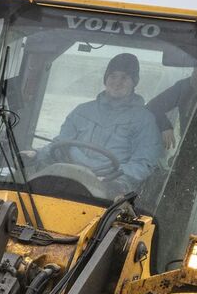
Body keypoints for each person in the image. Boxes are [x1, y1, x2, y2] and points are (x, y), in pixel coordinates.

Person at [42, 52, 163, 192]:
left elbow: (144, 163)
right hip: (69, 176)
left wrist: (116, 181)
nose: (117, 82)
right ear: (105, 79)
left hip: (110, 186)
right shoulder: (82, 110)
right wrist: (37, 154)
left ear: (134, 82)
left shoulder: (144, 120)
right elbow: (59, 144)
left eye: (124, 77)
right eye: (113, 76)